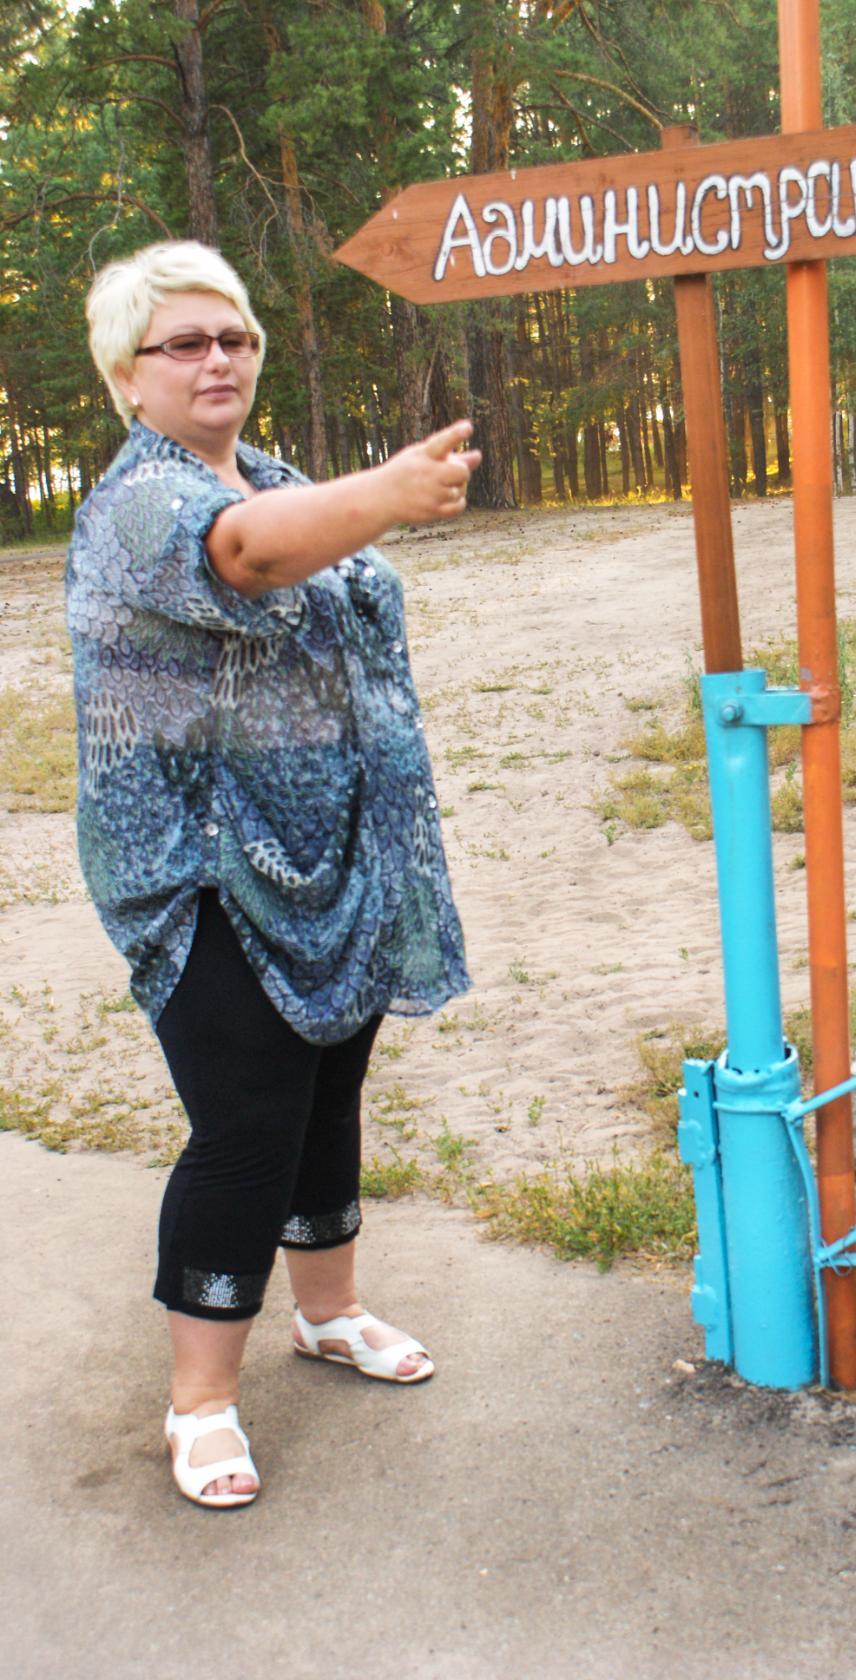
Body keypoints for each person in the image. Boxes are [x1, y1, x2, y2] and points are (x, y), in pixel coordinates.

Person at [68, 240, 481, 1509]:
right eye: (185, 343)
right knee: (247, 1124)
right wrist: (390, 490)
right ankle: (199, 1402)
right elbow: (246, 556)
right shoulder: (139, 502)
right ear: (128, 375)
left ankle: (329, 1312)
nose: (219, 360)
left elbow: (292, 546)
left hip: (329, 856)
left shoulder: (277, 474)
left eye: (235, 337)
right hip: (198, 867)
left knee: (327, 1090)